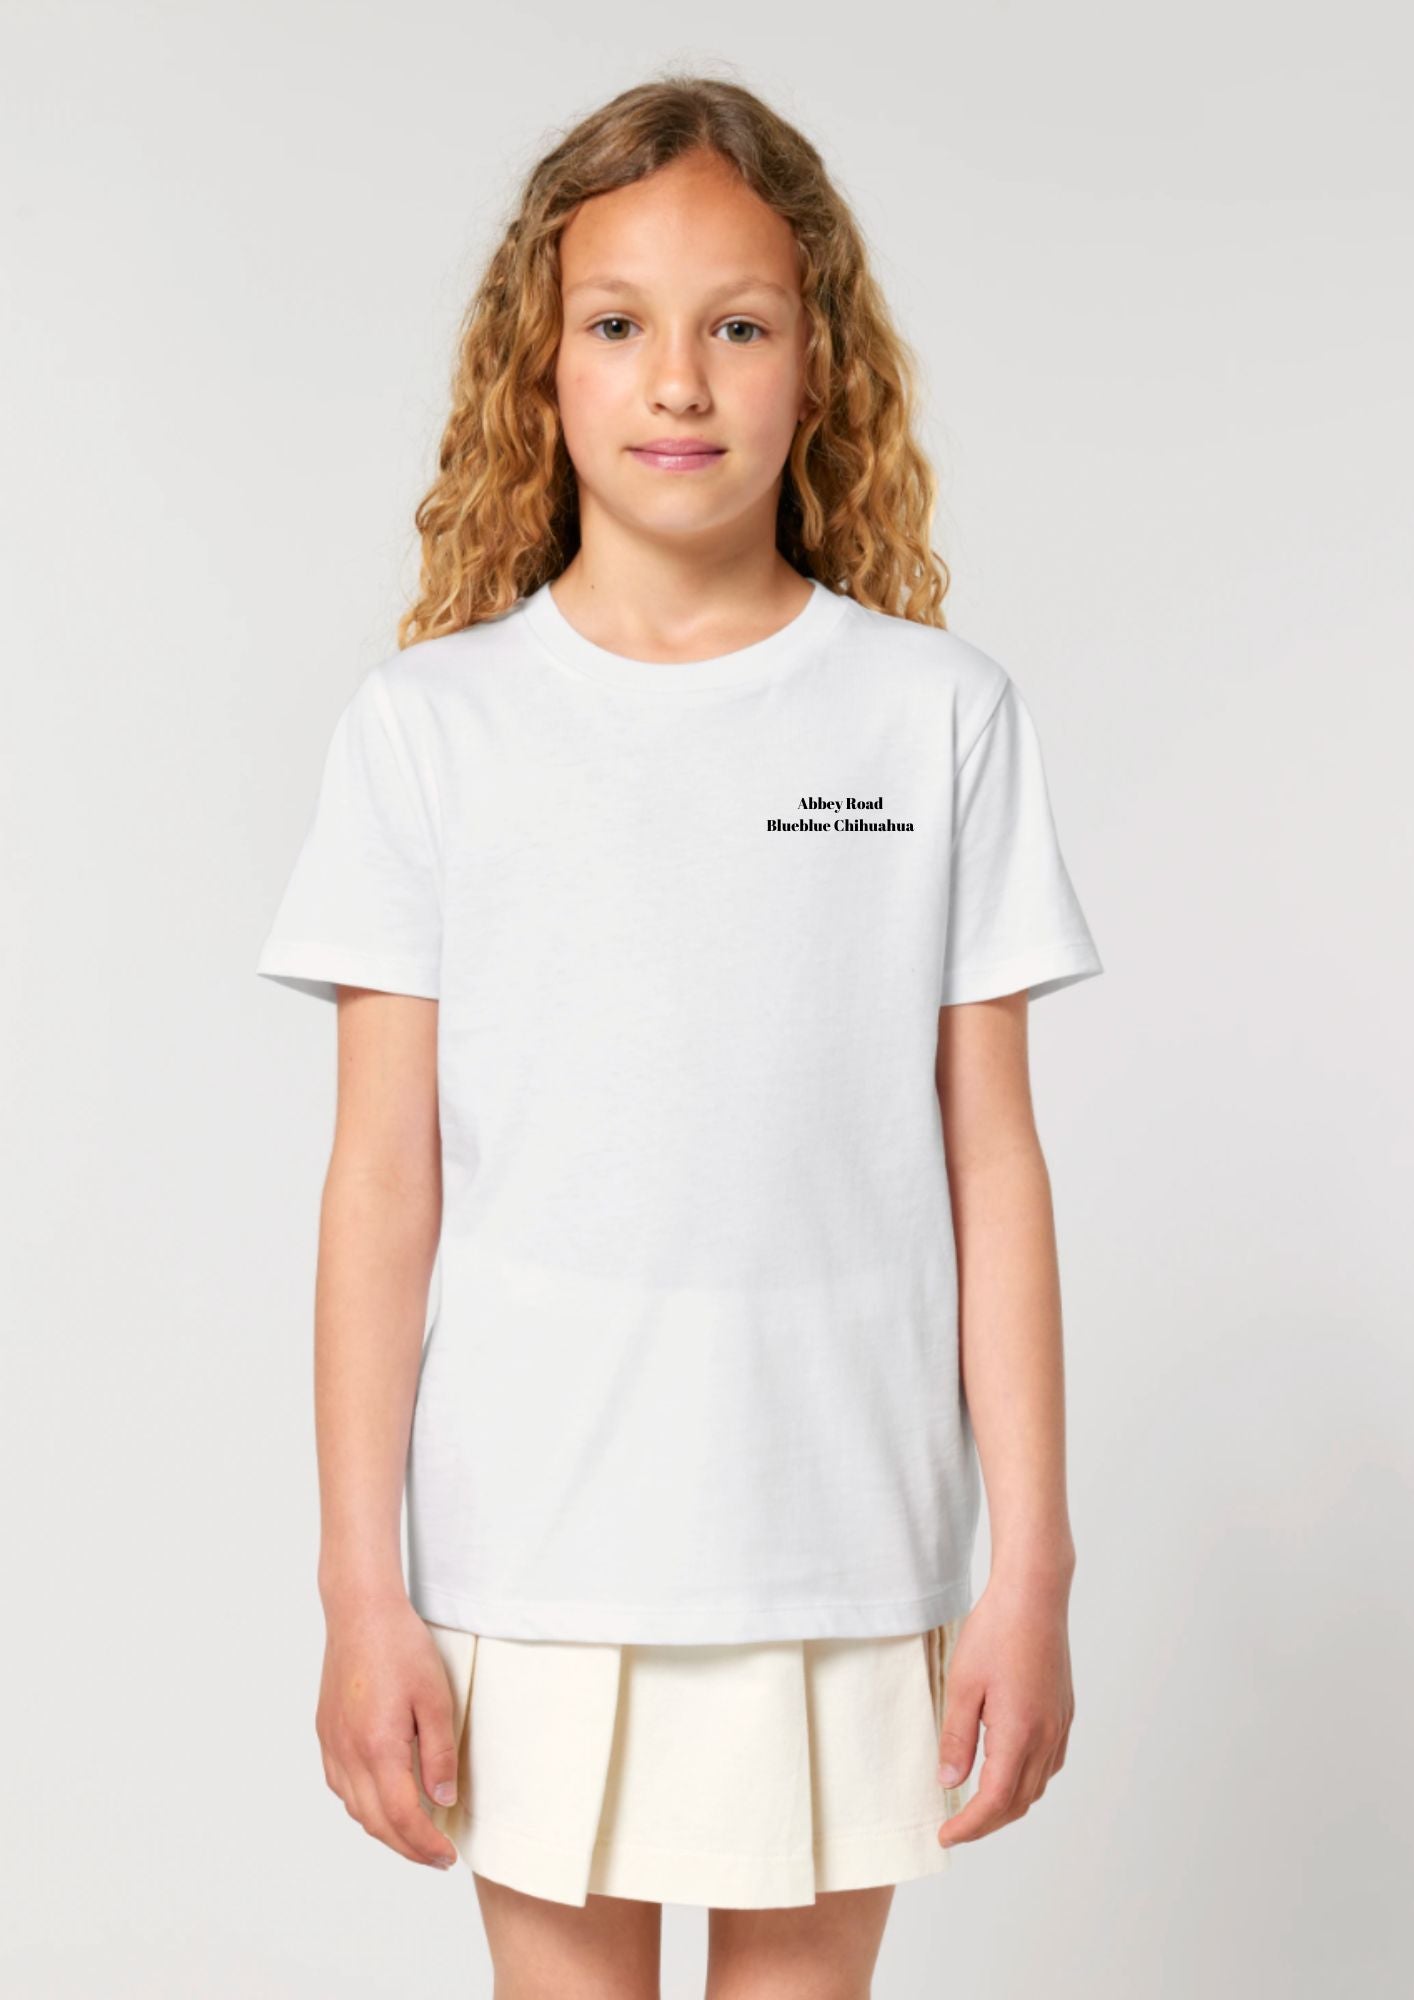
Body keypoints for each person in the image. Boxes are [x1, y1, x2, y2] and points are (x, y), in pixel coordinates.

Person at [255, 71, 1104, 2000]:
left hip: (845, 1545)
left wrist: (1034, 1568)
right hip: (531, 1557)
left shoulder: (933, 717)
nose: (677, 382)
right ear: (539, 368)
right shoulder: (431, 732)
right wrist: (359, 1587)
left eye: (737, 327)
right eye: (619, 324)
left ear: (818, 365)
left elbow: (992, 1161)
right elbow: (381, 1181)